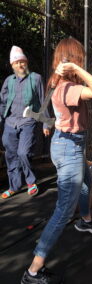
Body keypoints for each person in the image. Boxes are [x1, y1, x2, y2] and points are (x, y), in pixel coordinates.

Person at [21, 37, 92, 284]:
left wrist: (66, 69)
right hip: (69, 148)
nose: (83, 61)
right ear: (74, 61)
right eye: (80, 58)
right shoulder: (68, 88)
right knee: (62, 211)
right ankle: (33, 271)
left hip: (68, 144)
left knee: (87, 180)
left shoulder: (57, 81)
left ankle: (85, 221)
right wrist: (77, 68)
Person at [0, 46, 50, 199]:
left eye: (22, 62)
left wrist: (46, 123)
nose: (20, 65)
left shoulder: (35, 78)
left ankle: (30, 181)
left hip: (28, 121)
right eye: (16, 63)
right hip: (10, 122)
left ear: (26, 62)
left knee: (23, 152)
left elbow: (43, 101)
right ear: (12, 65)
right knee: (10, 155)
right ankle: (14, 186)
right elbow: (2, 102)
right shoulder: (9, 81)